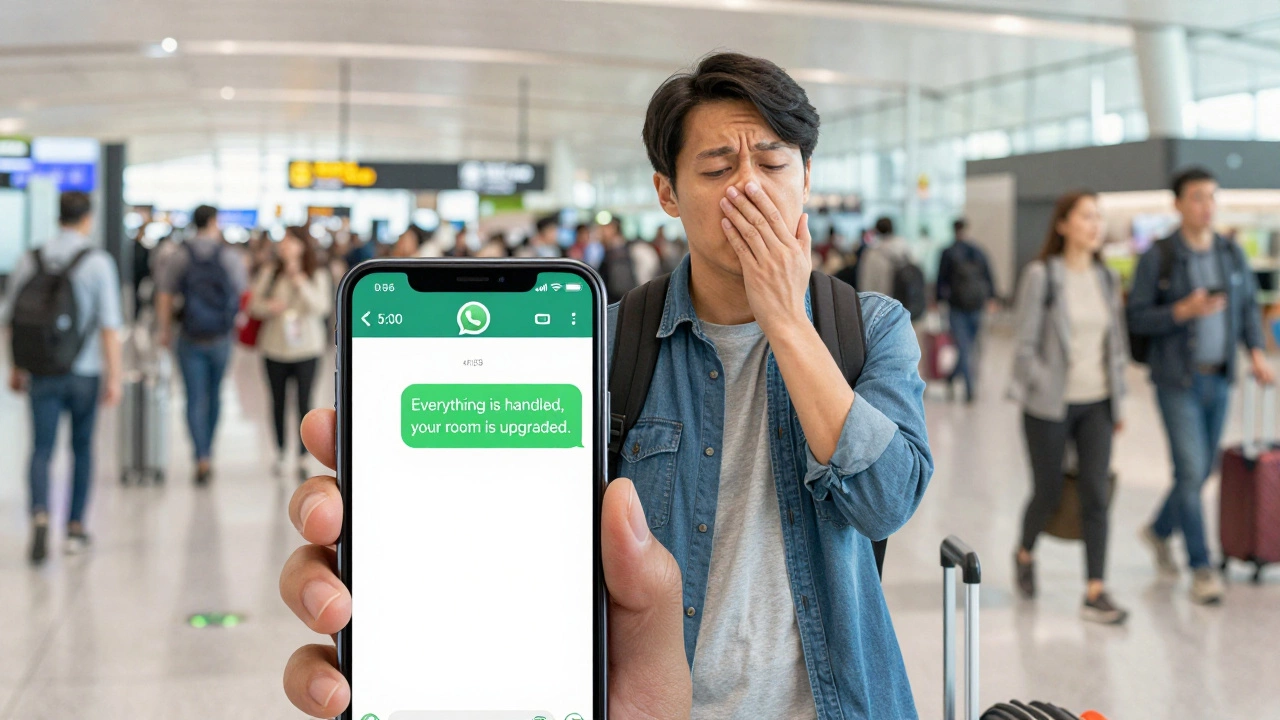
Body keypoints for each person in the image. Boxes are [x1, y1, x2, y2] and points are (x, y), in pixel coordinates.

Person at [278, 51, 932, 719]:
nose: (749, 189)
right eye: (716, 169)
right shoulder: (607, 343)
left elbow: (885, 502)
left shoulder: (869, 328)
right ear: (667, 192)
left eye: (772, 164)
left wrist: (788, 322)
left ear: (807, 177)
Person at [1128, 167, 1273, 606]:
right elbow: (1136, 317)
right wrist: (1182, 312)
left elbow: (1246, 307)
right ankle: (1201, 566)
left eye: (1212, 197)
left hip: (1220, 377)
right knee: (1191, 471)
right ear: (1177, 204)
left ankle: (1159, 530)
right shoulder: (1159, 256)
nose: (1206, 206)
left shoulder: (1230, 252)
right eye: (1197, 197)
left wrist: (1256, 353)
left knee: (1203, 469)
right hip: (1177, 380)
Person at [1007, 191, 1130, 624]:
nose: (1095, 225)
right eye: (1086, 217)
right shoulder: (1043, 275)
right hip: (1049, 406)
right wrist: (1040, 383)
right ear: (1063, 225)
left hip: (1098, 402)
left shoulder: (1107, 278)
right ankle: (1025, 553)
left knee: (1096, 492)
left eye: (1099, 217)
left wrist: (1119, 402)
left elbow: (1116, 345)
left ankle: (1095, 589)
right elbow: (1024, 345)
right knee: (1049, 491)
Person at [3, 192, 123, 563]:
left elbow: (13, 319)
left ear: (58, 216)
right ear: (87, 218)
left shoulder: (31, 258)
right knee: (82, 448)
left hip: (41, 370)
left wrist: (16, 366)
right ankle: (74, 528)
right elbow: (109, 326)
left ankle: (40, 513)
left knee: (41, 448)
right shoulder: (98, 262)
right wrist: (115, 377)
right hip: (84, 372)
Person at [155, 205, 249, 485]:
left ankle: (201, 455)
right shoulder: (229, 256)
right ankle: (210, 448)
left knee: (193, 397)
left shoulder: (179, 255)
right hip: (221, 336)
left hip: (189, 336)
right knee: (215, 395)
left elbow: (164, 294)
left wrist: (164, 330)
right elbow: (242, 292)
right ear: (213, 222)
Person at [249, 227, 332, 482]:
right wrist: (269, 306)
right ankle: (280, 451)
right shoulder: (270, 272)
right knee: (278, 401)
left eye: (291, 241)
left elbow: (322, 307)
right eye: (283, 241)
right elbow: (253, 305)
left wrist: (300, 281)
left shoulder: (316, 273)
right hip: (274, 347)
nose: (285, 246)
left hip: (307, 348)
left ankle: (303, 455)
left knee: (304, 402)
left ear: (303, 245)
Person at [937, 218, 996, 402]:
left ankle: (953, 378)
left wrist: (939, 300)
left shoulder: (948, 252)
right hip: (977, 305)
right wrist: (992, 297)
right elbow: (989, 275)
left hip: (956, 306)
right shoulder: (978, 251)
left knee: (963, 347)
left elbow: (941, 279)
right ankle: (969, 389)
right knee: (969, 347)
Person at [856, 217, 911, 297]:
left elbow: (865, 281)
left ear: (876, 230)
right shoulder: (903, 248)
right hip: (900, 299)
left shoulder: (871, 253)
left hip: (879, 298)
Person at [597, 218, 637, 303]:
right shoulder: (609, 250)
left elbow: (620, 282)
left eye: (605, 229)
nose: (601, 233)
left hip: (617, 298)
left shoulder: (618, 251)